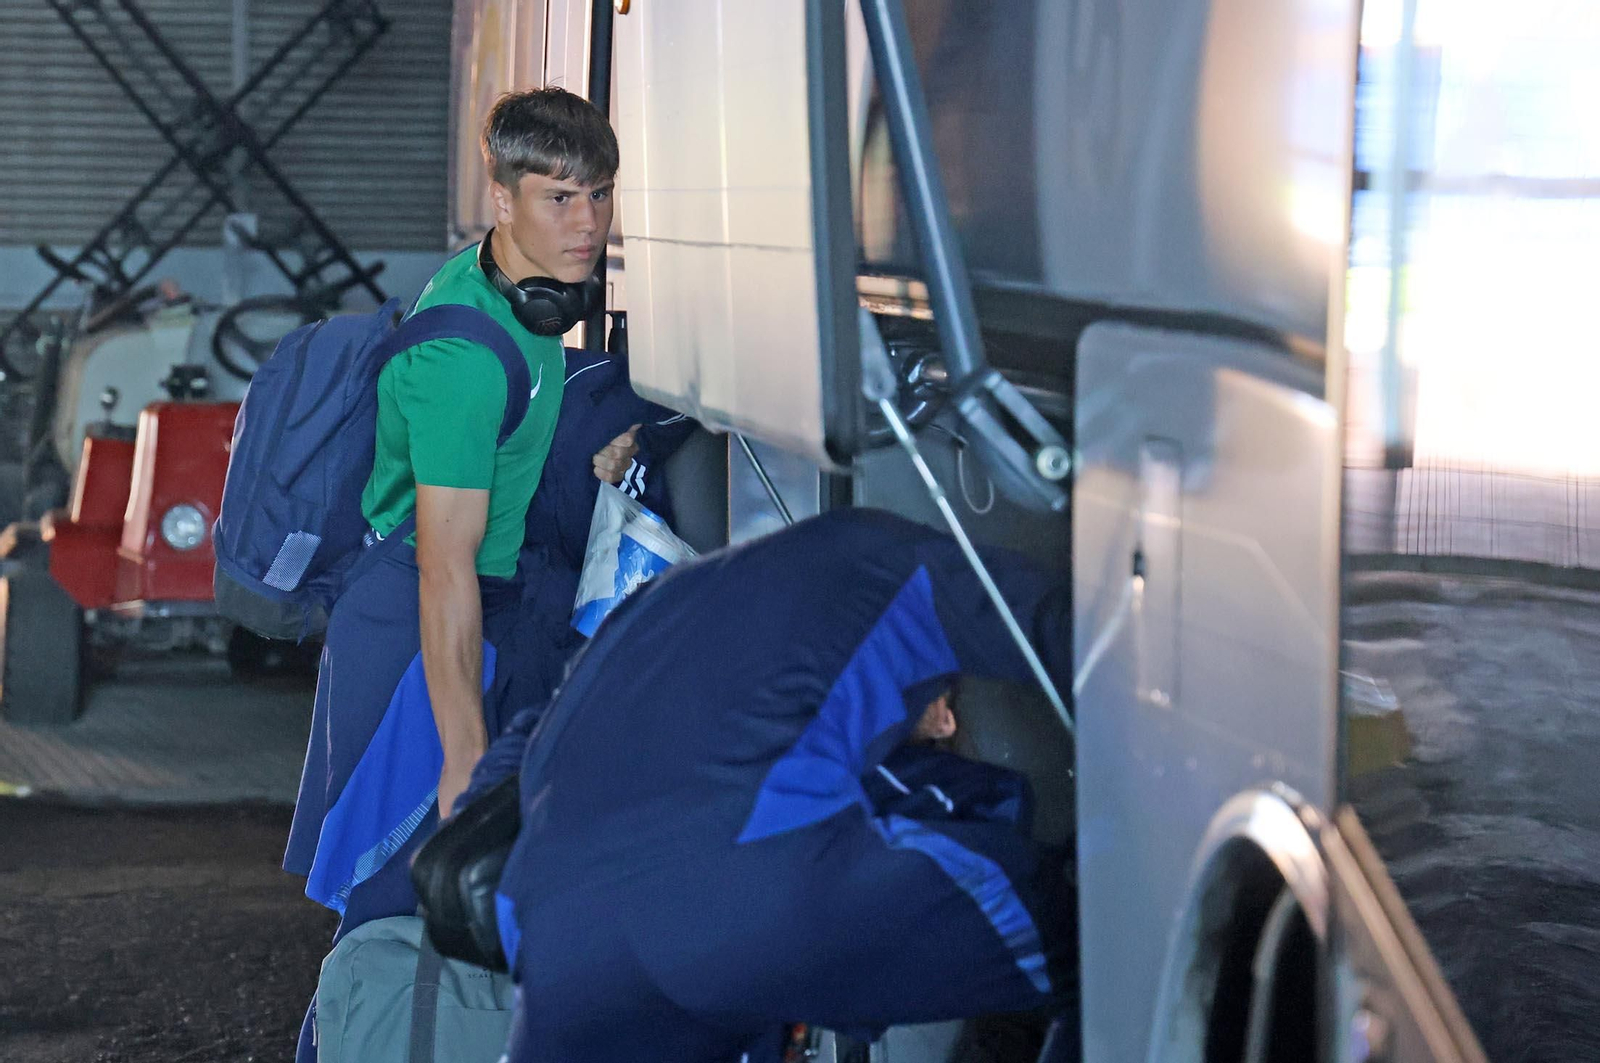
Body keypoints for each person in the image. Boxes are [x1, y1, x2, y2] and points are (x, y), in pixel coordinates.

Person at [461, 508, 1079, 1062]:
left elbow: (515, 752)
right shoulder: (907, 580)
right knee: (1080, 945)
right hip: (724, 908)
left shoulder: (660, 611)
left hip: (545, 904)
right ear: (940, 707)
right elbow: (1076, 637)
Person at [282, 87, 634, 1059]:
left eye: (598, 196)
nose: (587, 222)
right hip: (417, 625)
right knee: (391, 907)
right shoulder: (464, 354)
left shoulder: (527, 312)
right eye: (558, 197)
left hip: (477, 601)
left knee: (432, 895)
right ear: (501, 194)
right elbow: (444, 568)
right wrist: (461, 754)